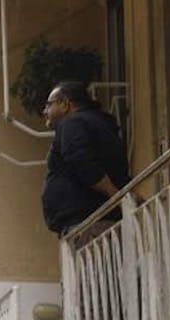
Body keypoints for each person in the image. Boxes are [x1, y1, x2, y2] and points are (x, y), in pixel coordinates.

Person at [41, 81, 131, 244]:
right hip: (99, 222)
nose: (45, 111)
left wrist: (117, 195)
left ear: (65, 104)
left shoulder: (72, 123)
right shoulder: (98, 124)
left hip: (88, 226)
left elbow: (81, 162)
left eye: (48, 105)